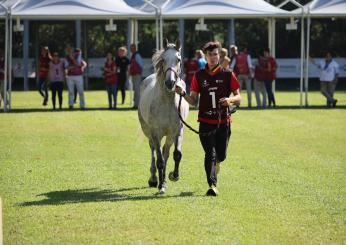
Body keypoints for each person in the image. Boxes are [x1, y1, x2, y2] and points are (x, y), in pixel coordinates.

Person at [176, 41, 241, 196]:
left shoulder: (227, 74)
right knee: (209, 154)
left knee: (221, 155)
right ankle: (212, 185)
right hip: (205, 123)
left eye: (215, 54)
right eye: (210, 55)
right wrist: (183, 94)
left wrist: (229, 100)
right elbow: (193, 101)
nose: (213, 57)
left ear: (219, 55)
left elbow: (238, 97)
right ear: (205, 57)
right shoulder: (198, 76)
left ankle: (218, 162)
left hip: (223, 122)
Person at [129, 43, 143, 109]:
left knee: (137, 90)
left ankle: (138, 105)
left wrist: (138, 72)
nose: (131, 49)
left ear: (135, 48)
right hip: (134, 74)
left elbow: (141, 65)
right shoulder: (133, 55)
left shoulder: (137, 55)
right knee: (135, 89)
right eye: (130, 48)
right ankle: (136, 104)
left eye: (132, 48)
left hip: (137, 75)